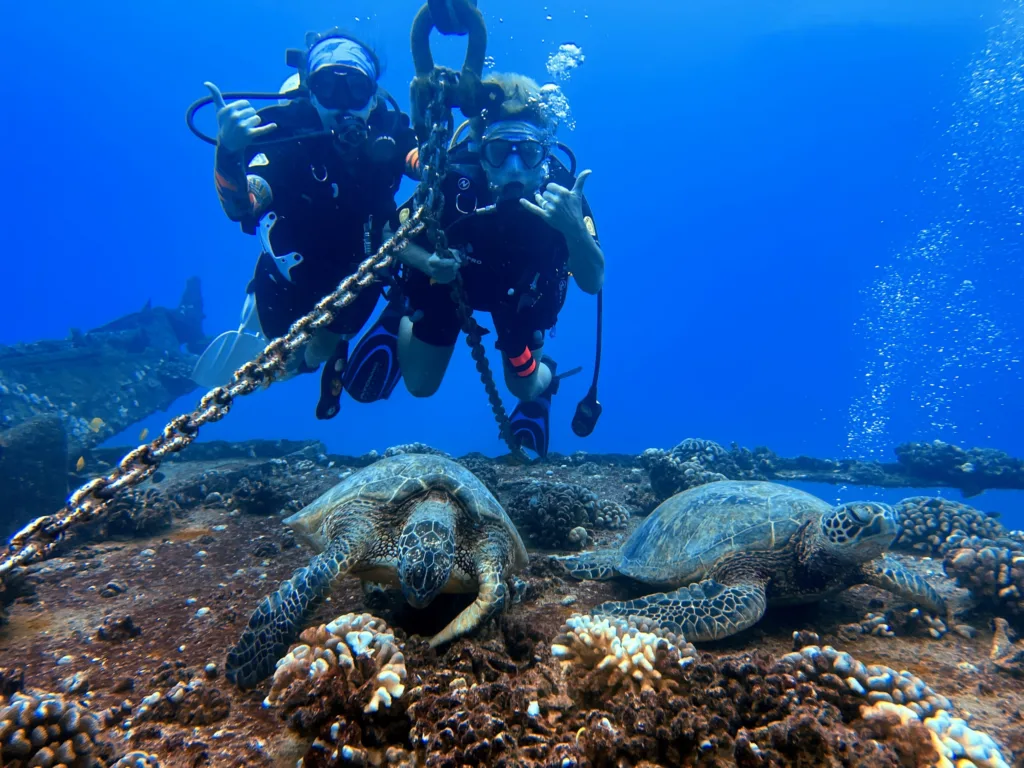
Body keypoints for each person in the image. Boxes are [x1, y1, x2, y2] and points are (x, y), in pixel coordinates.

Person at [192, 29, 418, 420]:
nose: (343, 105)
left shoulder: (392, 130)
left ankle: (326, 353)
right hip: (288, 277)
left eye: (356, 90)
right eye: (329, 88)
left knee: (320, 349)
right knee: (284, 351)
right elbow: (242, 205)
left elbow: (422, 163)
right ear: (311, 93)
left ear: (374, 97)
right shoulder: (284, 134)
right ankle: (281, 341)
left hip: (358, 279)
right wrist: (228, 153)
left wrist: (437, 152)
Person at [393, 73, 605, 457]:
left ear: (545, 154)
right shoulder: (454, 177)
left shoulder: (563, 195)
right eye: (498, 152)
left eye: (527, 153)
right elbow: (394, 235)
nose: (513, 168)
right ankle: (402, 311)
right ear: (480, 152)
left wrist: (574, 230)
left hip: (521, 299)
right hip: (450, 282)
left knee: (524, 386)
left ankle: (546, 386)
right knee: (420, 384)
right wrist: (426, 262)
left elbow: (593, 281)